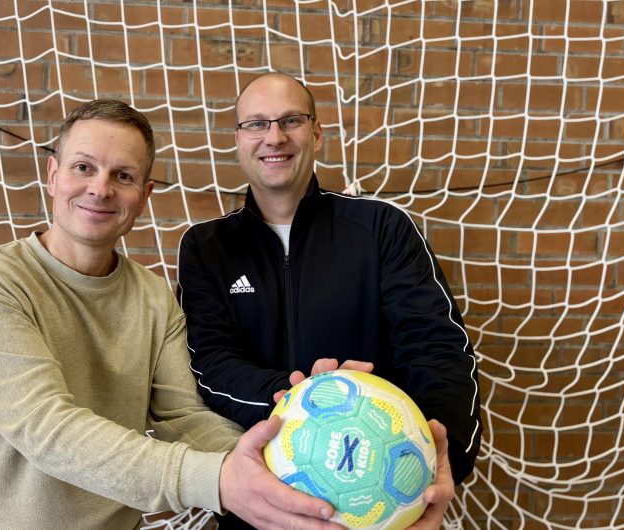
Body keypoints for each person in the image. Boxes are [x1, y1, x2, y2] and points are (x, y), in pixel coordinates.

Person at [0, 100, 349, 530]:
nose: (100, 188)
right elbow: (45, 427)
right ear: (53, 175)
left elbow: (183, 417)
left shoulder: (152, 295)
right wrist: (219, 480)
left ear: (144, 195)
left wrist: (287, 457)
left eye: (123, 176)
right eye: (83, 168)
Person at [177, 73, 483, 529]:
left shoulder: (382, 228)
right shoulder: (206, 247)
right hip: (259, 505)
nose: (274, 137)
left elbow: (438, 350)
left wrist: (441, 451)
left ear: (316, 133)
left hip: (378, 504)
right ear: (238, 139)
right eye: (256, 124)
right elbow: (210, 363)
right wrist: (305, 399)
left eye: (291, 121)